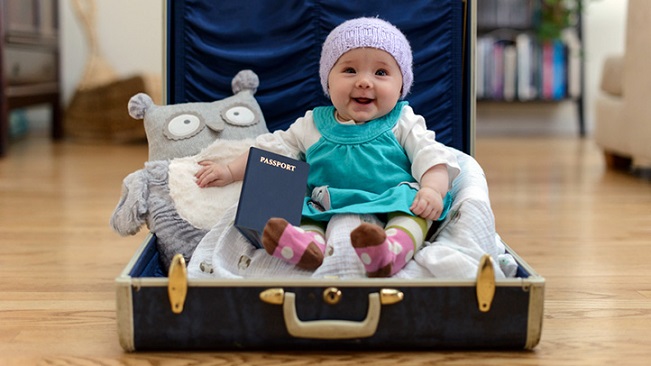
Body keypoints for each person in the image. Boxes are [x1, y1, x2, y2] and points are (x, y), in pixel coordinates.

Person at [195, 17, 460, 277]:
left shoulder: (402, 121)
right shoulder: (313, 124)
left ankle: (389, 252)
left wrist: (432, 190)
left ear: (401, 85)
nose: (364, 82)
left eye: (381, 73)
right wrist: (230, 170)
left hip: (390, 199)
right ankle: (309, 248)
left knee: (414, 213)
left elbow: (431, 156)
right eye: (349, 70)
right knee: (303, 212)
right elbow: (273, 148)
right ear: (328, 81)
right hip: (328, 204)